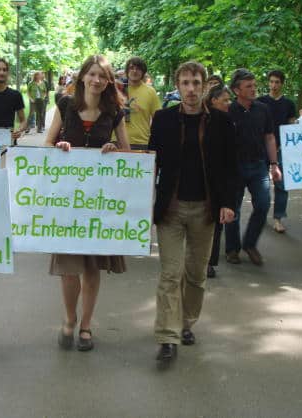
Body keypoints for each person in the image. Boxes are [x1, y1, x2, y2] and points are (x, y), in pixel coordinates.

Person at [149, 61, 238, 364]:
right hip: (170, 209)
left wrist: (227, 203)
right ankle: (167, 336)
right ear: (177, 85)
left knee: (196, 275)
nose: (190, 89)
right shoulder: (162, 120)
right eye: (185, 83)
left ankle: (186, 323)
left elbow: (230, 167)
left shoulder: (222, 123)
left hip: (206, 209)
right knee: (170, 274)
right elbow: (151, 163)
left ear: (204, 86)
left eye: (196, 83)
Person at [44, 55, 130, 352]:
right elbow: (46, 144)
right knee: (69, 267)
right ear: (82, 77)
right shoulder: (65, 105)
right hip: (67, 200)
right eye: (92, 74)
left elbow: (127, 153)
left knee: (92, 267)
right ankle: (69, 319)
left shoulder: (115, 112)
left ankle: (86, 325)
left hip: (99, 203)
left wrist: (114, 148)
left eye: (102, 76)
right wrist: (60, 147)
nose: (96, 80)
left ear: (108, 82)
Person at [224, 68, 282, 266]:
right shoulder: (228, 111)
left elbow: (269, 137)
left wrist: (274, 164)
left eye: (254, 85)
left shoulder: (263, 109)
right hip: (234, 167)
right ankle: (232, 249)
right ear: (236, 90)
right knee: (233, 209)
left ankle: (250, 244)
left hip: (259, 166)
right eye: (248, 86)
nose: (253, 89)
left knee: (264, 204)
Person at [258, 70, 296, 234]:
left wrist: (287, 146)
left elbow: (291, 127)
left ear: (282, 84)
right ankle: (259, 215)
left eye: (277, 82)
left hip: (281, 150)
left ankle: (278, 218)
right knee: (260, 185)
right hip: (261, 149)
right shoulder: (260, 102)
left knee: (282, 184)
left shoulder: (289, 104)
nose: (274, 85)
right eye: (271, 82)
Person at [204, 85, 233, 279]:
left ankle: (209, 262)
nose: (228, 103)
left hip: (220, 179)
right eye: (225, 99)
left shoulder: (228, 120)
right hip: (203, 177)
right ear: (213, 100)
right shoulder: (204, 119)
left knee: (216, 222)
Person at [122, 57, 161, 150]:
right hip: (117, 141)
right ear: (127, 71)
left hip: (141, 143)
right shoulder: (118, 89)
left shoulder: (150, 92)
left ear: (143, 72)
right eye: (131, 68)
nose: (134, 71)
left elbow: (158, 119)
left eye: (138, 68)